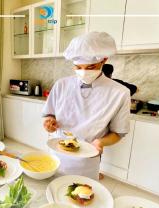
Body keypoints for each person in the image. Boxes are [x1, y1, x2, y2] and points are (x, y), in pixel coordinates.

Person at [42, 32, 131, 180]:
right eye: (78, 67)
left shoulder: (120, 93)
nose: (83, 72)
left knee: (81, 194)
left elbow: (118, 133)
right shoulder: (61, 85)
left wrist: (101, 142)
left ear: (104, 60)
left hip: (87, 158)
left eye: (90, 67)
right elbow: (49, 114)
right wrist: (49, 122)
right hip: (57, 152)